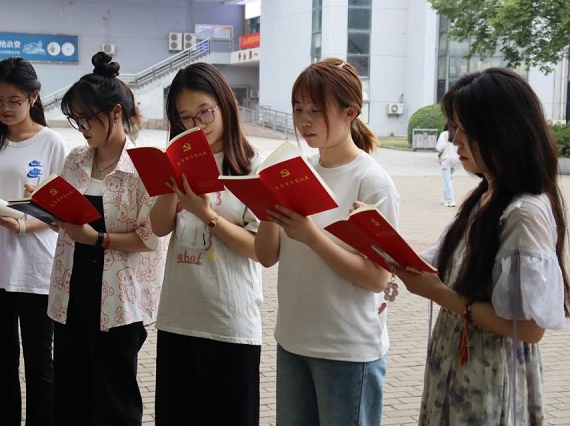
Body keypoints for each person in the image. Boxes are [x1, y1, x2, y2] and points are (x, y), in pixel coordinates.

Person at [396, 68, 570, 425]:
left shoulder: (524, 213)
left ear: (503, 132)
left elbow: (530, 328)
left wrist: (438, 293)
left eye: (466, 130)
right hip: (461, 367)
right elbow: (444, 261)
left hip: (490, 379)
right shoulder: (487, 195)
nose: (455, 140)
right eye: (454, 127)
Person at [254, 58, 400, 425]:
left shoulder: (372, 182)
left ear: (351, 112)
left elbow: (377, 278)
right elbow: (266, 256)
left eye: (316, 111)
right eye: (298, 109)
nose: (304, 121)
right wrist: (266, 207)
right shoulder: (296, 172)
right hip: (293, 340)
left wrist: (312, 237)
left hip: (347, 350)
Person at [48, 51, 167, 426]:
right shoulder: (75, 160)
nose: (82, 127)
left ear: (116, 113)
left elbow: (150, 239)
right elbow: (66, 221)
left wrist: (97, 238)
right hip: (71, 291)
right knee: (68, 395)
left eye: (87, 118)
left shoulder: (144, 166)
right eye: (76, 119)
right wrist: (49, 211)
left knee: (115, 401)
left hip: (119, 300)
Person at [151, 62, 264, 425]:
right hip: (177, 319)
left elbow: (259, 249)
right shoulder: (178, 159)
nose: (197, 124)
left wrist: (206, 213)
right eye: (185, 117)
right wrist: (170, 180)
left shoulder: (252, 166)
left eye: (205, 112)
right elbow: (158, 227)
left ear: (225, 105)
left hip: (229, 323)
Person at [0, 57, 66, 426]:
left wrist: (20, 224)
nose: (5, 108)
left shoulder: (52, 143)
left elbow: (61, 212)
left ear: (34, 98)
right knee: (2, 363)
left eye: (14, 100)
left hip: (37, 267)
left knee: (40, 364)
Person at [435, 123, 459, 207]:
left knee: (447, 180)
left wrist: (439, 156)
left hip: (446, 160)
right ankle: (446, 198)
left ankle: (450, 200)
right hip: (456, 159)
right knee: (449, 179)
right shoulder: (457, 134)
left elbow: (440, 147)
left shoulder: (444, 134)